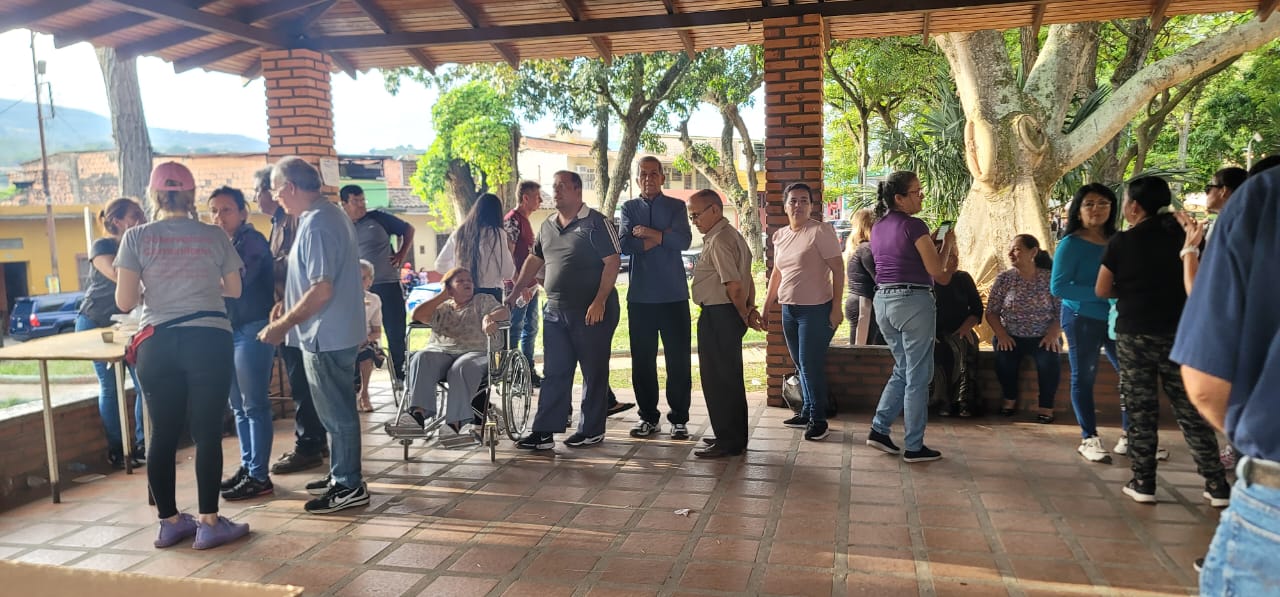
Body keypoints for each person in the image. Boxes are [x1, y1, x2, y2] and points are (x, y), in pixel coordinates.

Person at [115, 161, 247, 549]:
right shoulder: (214, 235)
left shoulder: (136, 237)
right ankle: (209, 522)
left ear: (155, 196)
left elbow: (124, 301)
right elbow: (235, 290)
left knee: (163, 434)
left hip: (157, 341)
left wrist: (159, 290)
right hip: (208, 338)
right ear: (191, 196)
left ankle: (170, 521)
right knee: (207, 433)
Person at [1172, 167, 1280, 593]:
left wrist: (1257, 436)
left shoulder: (1264, 200)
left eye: (1213, 188)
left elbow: (1205, 382)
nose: (1209, 194)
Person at [1096, 176, 1228, 506]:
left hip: (1134, 333)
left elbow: (1101, 289)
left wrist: (1127, 291)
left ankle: (1144, 482)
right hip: (1180, 333)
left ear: (1135, 206)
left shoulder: (1121, 242)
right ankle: (1216, 485)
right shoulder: (1185, 236)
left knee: (1140, 410)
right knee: (1189, 409)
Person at [260, 158, 369, 514]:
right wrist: (286, 306)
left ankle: (349, 485)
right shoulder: (322, 216)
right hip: (331, 331)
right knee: (334, 414)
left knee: (338, 416)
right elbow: (312, 282)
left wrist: (282, 325)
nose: (276, 198)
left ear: (291, 186)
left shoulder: (320, 223)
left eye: (277, 190)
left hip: (327, 334)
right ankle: (341, 474)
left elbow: (322, 289)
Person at [509, 170, 621, 450]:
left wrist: (600, 301)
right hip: (555, 311)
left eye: (561, 186)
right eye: (553, 186)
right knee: (555, 372)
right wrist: (512, 295)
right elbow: (534, 261)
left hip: (591, 310)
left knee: (593, 372)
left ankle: (591, 430)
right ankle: (545, 432)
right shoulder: (547, 226)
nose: (555, 191)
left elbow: (613, 262)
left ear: (577, 190)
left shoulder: (597, 223)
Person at [864, 171, 955, 462]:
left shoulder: (878, 227)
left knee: (904, 369)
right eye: (916, 192)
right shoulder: (915, 226)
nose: (921, 196)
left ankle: (879, 429)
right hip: (913, 302)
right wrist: (948, 242)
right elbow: (938, 272)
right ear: (899, 198)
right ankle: (914, 446)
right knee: (918, 375)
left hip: (884, 301)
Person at [254, 167, 328, 475]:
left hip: (300, 313)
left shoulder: (299, 220)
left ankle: (309, 444)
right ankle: (314, 440)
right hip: (288, 308)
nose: (256, 197)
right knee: (302, 381)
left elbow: (305, 271)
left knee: (303, 383)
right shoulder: (280, 221)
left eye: (257, 191)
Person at [207, 186, 276, 501]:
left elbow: (238, 282)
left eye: (226, 210)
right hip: (227, 329)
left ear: (243, 212)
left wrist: (198, 280)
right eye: (214, 211)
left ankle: (260, 476)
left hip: (253, 328)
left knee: (254, 404)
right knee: (238, 406)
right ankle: (249, 467)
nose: (219, 217)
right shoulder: (221, 244)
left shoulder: (252, 242)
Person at [618, 156, 693, 440]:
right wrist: (663, 237)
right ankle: (648, 417)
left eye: (653, 173)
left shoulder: (676, 206)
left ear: (662, 177)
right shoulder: (628, 208)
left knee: (678, 360)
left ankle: (680, 419)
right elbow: (625, 244)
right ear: (636, 179)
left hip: (674, 296)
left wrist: (648, 234)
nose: (648, 178)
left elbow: (683, 241)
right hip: (640, 299)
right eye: (643, 174)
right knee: (642, 362)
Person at [763, 182, 844, 442]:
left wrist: (836, 307)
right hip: (790, 309)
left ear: (811, 205)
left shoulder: (820, 231)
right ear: (785, 205)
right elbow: (777, 273)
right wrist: (767, 306)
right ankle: (807, 410)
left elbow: (839, 270)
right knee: (800, 364)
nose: (798, 205)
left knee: (810, 366)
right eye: (793, 201)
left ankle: (819, 420)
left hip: (816, 310)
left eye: (804, 201)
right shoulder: (780, 235)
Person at [1052, 184, 1126, 462]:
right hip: (1082, 318)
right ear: (1078, 210)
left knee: (1130, 376)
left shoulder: (1120, 240)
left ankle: (1131, 435)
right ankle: (1089, 437)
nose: (1096, 209)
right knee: (1084, 375)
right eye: (1089, 204)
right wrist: (1102, 293)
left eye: (1103, 203)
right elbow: (1059, 287)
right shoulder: (1070, 243)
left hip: (1118, 318)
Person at [688, 189, 763, 458]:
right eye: (691, 216)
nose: (693, 220)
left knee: (718, 379)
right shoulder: (732, 235)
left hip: (720, 314)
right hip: (726, 313)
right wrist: (748, 309)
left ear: (714, 210)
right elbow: (747, 278)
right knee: (728, 378)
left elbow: (733, 284)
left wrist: (743, 313)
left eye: (696, 214)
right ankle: (731, 435)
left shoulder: (719, 239)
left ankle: (728, 440)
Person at [76, 197, 147, 470]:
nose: (140, 219)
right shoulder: (103, 245)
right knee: (111, 386)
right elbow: (117, 275)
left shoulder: (138, 244)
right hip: (96, 322)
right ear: (117, 221)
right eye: (134, 215)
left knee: (143, 383)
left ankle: (143, 444)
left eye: (141, 214)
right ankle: (118, 450)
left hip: (127, 325)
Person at [395, 267, 508, 437]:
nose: (467, 283)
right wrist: (442, 296)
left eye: (469, 280)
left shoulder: (483, 300)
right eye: (460, 281)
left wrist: (490, 317)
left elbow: (504, 312)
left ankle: (455, 423)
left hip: (477, 351)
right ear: (449, 287)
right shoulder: (442, 307)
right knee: (421, 357)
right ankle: (418, 413)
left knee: (461, 368)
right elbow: (417, 316)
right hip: (442, 351)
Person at [340, 184, 415, 390]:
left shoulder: (378, 218)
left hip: (387, 284)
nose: (361, 205)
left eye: (363, 200)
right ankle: (357, 383)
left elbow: (408, 229)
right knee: (357, 334)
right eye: (356, 201)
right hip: (357, 290)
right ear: (344, 203)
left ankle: (401, 377)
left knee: (395, 331)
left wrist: (401, 253)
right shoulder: (340, 225)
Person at [988, 234, 1062, 423]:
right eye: (1010, 249)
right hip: (1011, 335)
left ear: (1033, 252)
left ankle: (1046, 406)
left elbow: (1063, 310)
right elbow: (992, 312)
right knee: (1004, 361)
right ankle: (1009, 399)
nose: (1011, 253)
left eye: (1017, 249)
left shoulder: (1049, 278)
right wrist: (1002, 334)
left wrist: (1054, 332)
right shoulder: (1004, 279)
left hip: (1044, 336)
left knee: (1049, 363)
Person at [1176, 167, 1248, 294]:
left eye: (1208, 188)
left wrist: (1190, 248)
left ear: (1224, 191)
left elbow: (1197, 291)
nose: (1206, 193)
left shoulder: (1228, 229)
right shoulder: (1241, 224)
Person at [931, 240, 982, 418]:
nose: (955, 260)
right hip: (933, 332)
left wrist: (966, 327)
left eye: (956, 255)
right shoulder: (926, 282)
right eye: (949, 255)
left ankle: (963, 401)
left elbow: (976, 309)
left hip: (961, 329)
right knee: (939, 350)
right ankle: (942, 400)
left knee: (963, 346)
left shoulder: (963, 278)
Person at [436, 193, 514, 301]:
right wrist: (511, 252)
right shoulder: (497, 234)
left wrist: (459, 272)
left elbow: (440, 265)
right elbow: (508, 272)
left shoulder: (459, 233)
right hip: (490, 295)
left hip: (462, 293)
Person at [504, 181, 543, 386]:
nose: (541, 201)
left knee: (531, 328)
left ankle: (528, 370)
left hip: (532, 286)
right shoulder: (512, 221)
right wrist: (519, 285)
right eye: (537, 197)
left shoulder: (526, 222)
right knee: (515, 329)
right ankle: (513, 373)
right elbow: (508, 256)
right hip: (517, 287)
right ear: (525, 198)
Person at [844, 207, 882, 345]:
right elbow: (879, 277)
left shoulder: (858, 247)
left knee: (864, 345)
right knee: (860, 349)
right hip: (863, 303)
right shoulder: (866, 248)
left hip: (861, 302)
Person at [355, 260, 383, 413]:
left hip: (365, 340)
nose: (360, 282)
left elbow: (377, 331)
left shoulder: (374, 300)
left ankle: (364, 394)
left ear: (370, 281)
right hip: (342, 341)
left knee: (367, 354)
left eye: (364, 278)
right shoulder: (339, 298)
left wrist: (365, 340)